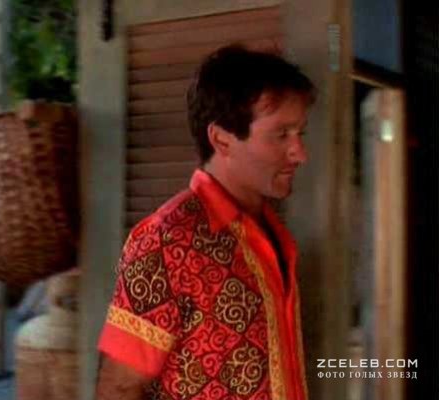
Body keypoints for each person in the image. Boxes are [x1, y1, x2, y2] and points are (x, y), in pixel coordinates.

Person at [96, 45, 316, 400]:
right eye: (281, 135)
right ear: (221, 139)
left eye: (300, 133)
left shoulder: (274, 235)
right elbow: (119, 387)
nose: (300, 153)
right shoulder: (167, 240)